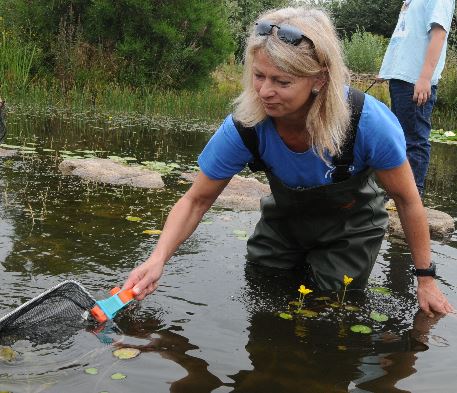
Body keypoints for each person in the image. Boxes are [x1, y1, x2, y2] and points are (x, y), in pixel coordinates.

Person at [123, 7, 452, 316]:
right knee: (262, 281)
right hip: (285, 220)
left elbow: (408, 201)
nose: (265, 91)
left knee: (332, 303)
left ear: (319, 80)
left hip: (351, 226)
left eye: (282, 82)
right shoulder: (246, 126)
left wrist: (426, 280)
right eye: (259, 76)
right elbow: (196, 200)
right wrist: (158, 259)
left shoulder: (368, 123)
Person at [378, 0, 456, 198]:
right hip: (401, 77)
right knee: (399, 138)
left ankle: (412, 196)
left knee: (415, 140)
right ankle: (398, 193)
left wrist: (424, 78)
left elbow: (439, 34)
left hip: (415, 80)